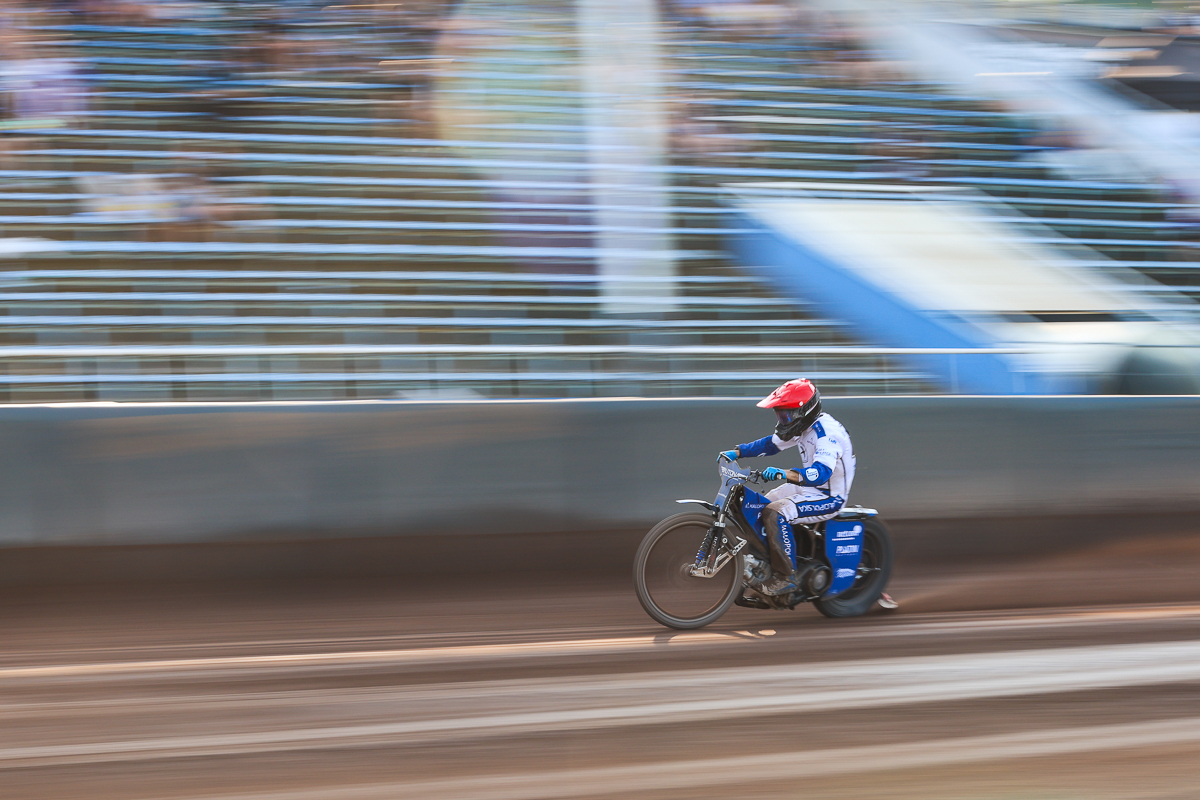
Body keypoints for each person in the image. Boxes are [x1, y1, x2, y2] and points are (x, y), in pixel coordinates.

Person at [720, 378, 856, 596]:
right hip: (808, 489)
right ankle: (766, 562)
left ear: (804, 411)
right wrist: (738, 452)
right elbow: (771, 444)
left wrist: (784, 473)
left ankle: (786, 577)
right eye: (779, 415)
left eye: (785, 415)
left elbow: (820, 474)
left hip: (829, 496)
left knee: (775, 513)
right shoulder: (803, 425)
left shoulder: (827, 434)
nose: (782, 420)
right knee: (761, 506)